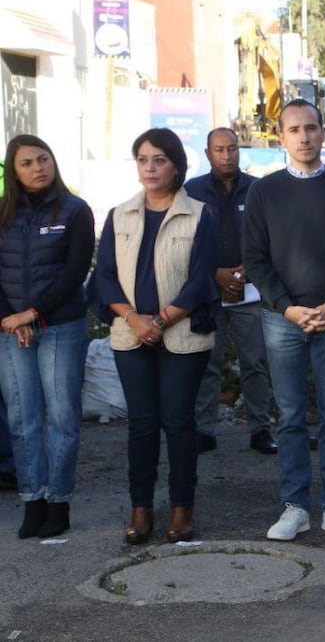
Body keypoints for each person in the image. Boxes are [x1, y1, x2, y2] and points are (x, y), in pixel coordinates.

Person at [243, 98, 325, 542]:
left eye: (311, 128)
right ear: (281, 136)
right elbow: (255, 260)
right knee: (291, 418)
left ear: (324, 132)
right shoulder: (264, 192)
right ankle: (295, 506)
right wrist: (287, 307)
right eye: (295, 129)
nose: (304, 136)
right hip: (282, 320)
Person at [94, 128, 218, 544]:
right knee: (142, 423)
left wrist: (161, 321)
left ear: (176, 166)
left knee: (179, 421)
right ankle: (141, 509)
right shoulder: (120, 214)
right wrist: (134, 319)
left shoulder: (199, 214)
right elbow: (105, 277)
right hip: (131, 334)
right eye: (143, 159)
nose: (150, 167)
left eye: (159, 159)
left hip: (182, 335)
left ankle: (182, 509)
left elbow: (201, 280)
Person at [0, 135, 94, 538]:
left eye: (43, 159)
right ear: (13, 171)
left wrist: (34, 313)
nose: (38, 168)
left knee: (62, 418)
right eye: (27, 163)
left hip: (60, 327)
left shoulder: (75, 210)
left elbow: (75, 272)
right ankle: (32, 500)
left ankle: (58, 501)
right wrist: (11, 318)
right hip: (13, 331)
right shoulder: (3, 214)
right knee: (22, 419)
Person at [184, 128, 276, 456]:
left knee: (255, 362)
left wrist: (247, 269)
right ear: (208, 154)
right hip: (208, 291)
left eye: (232, 148)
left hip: (249, 290)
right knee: (208, 362)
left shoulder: (257, 189)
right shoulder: (192, 190)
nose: (227, 155)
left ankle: (260, 429)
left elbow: (270, 236)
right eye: (220, 150)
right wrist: (215, 273)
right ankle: (204, 431)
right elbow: (183, 242)